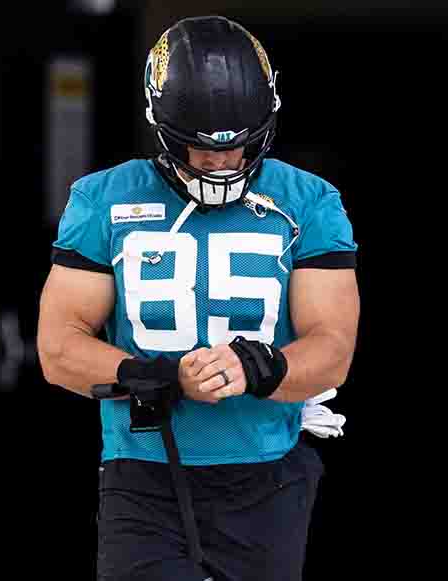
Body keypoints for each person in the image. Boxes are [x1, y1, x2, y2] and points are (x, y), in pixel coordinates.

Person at [37, 14, 359, 581]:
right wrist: (161, 376)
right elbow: (58, 348)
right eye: (197, 144)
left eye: (237, 145)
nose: (218, 160)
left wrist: (256, 367)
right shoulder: (104, 200)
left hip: (266, 473)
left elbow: (332, 348)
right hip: (145, 470)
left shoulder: (308, 202)